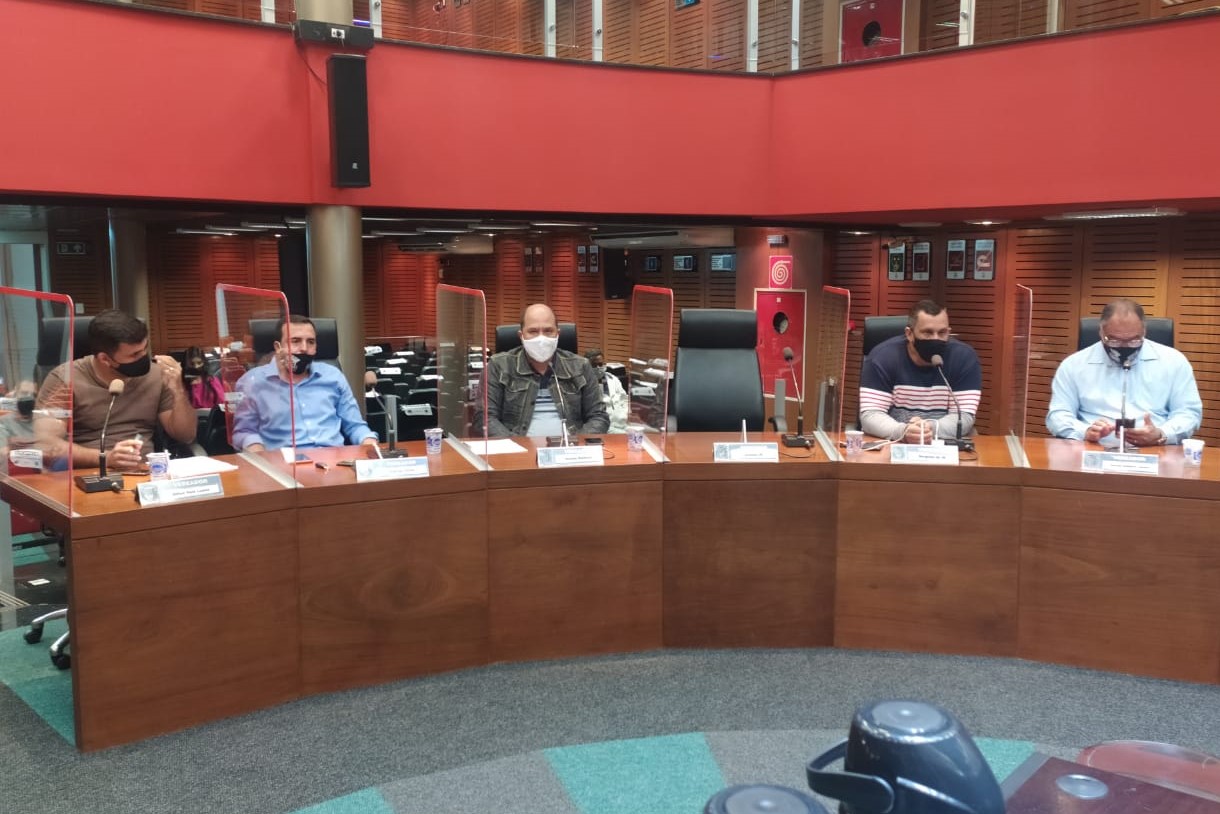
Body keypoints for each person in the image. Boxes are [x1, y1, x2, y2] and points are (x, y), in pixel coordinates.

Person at [36, 309, 197, 470]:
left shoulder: (157, 374)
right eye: (134, 354)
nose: (144, 357)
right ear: (105, 359)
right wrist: (106, 458)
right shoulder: (64, 379)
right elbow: (46, 445)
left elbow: (185, 435)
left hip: (146, 471)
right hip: (88, 473)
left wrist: (178, 390)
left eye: (145, 349)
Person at [1046, 298, 1201, 446]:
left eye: (1134, 340)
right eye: (1114, 340)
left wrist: (1161, 434)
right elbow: (1058, 415)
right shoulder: (1074, 365)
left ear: (1144, 331)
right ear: (1101, 332)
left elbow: (1188, 413)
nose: (1124, 347)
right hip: (1091, 449)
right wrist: (1084, 431)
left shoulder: (1173, 361)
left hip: (1155, 449)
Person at [231, 315, 378, 452]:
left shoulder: (333, 377)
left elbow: (355, 425)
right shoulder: (253, 382)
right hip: (283, 464)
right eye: (295, 341)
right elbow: (244, 432)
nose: (304, 348)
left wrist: (370, 443)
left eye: (310, 342)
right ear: (278, 347)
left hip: (333, 461)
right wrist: (259, 454)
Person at [859, 299, 982, 443]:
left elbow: (964, 417)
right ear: (909, 334)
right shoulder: (882, 357)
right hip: (895, 442)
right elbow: (871, 415)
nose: (936, 339)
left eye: (942, 333)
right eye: (928, 333)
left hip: (944, 443)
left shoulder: (964, 358)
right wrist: (904, 432)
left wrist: (928, 429)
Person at [481, 304, 608, 437]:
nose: (541, 338)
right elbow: (485, 418)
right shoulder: (499, 365)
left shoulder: (581, 366)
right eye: (533, 331)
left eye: (548, 331)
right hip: (517, 446)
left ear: (558, 334)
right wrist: (517, 445)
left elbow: (599, 416)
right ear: (521, 335)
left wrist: (576, 444)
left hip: (571, 446)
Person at [585, 349, 629, 434]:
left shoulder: (613, 379)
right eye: (594, 365)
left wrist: (627, 416)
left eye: (600, 364)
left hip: (624, 422)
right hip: (605, 427)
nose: (598, 368)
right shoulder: (585, 385)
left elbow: (624, 399)